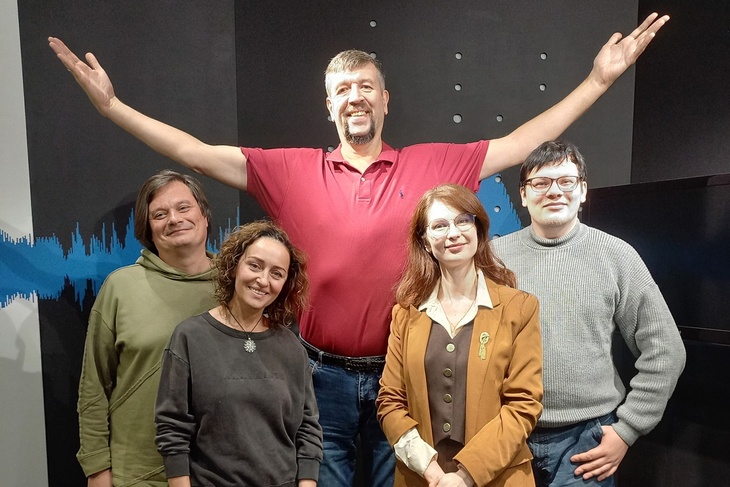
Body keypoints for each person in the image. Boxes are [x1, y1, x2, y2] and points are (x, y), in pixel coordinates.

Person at [49, 14, 668, 485]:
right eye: (343, 88)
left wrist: (598, 81)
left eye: (367, 86)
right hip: (317, 376)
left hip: (408, 376)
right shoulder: (290, 170)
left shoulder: (433, 163)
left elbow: (523, 142)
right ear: (329, 105)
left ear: (384, 99)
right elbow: (195, 154)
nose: (356, 97)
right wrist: (112, 107)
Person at [490, 140, 686, 486]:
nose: (554, 191)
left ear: (582, 191)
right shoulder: (492, 259)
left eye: (566, 181)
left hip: (587, 440)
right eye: (540, 182)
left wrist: (627, 430)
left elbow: (666, 350)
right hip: (506, 431)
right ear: (523, 195)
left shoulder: (617, 256)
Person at [377, 183, 542, 487]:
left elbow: (523, 404)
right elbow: (390, 401)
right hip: (423, 478)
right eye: (439, 226)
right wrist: (431, 471)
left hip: (500, 477)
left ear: (478, 229)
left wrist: (465, 476)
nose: (453, 233)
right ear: (425, 241)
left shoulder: (519, 308)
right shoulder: (405, 314)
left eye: (463, 221)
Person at [155, 220, 322, 487]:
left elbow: (308, 427)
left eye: (277, 273)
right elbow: (172, 428)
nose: (263, 280)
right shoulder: (190, 337)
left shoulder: (291, 347)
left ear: (286, 284)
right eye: (254, 265)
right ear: (234, 266)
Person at [76, 170, 217, 487]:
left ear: (205, 215)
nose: (174, 219)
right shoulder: (121, 288)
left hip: (221, 471)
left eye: (183, 207)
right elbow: (94, 385)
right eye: (160, 214)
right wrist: (97, 468)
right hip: (140, 474)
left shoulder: (237, 287)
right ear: (148, 230)